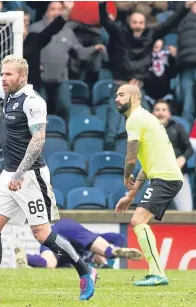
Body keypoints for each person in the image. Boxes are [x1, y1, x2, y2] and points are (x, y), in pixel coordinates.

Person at [0, 23, 97, 303]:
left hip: (30, 175)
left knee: (42, 234)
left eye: (8, 74)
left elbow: (39, 140)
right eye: (4, 74)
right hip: (8, 174)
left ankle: (86, 271)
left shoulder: (32, 101)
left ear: (22, 75)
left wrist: (21, 173)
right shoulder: (8, 94)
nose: (3, 78)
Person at [114, 84, 183, 287]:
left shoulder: (135, 119)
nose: (116, 99)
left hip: (165, 178)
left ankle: (158, 273)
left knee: (138, 221)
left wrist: (126, 177)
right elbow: (146, 164)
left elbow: (132, 158)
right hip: (164, 177)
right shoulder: (145, 118)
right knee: (138, 221)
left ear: (134, 97)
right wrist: (131, 196)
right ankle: (157, 272)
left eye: (121, 94)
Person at [99, 1, 191, 149]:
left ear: (145, 23)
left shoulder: (151, 35)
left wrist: (186, 6)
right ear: (129, 22)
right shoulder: (121, 34)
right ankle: (108, 157)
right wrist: (102, 3)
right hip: (121, 86)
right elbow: (105, 21)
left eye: (141, 23)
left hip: (138, 88)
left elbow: (171, 22)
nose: (138, 25)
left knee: (148, 126)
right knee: (112, 127)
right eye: (134, 22)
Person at [17, 218, 142, 269]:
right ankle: (110, 252)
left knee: (50, 263)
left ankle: (24, 256)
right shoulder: (92, 241)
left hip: (60, 248)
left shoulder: (86, 264)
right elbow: (117, 237)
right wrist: (108, 260)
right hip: (65, 229)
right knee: (94, 242)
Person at [152, 100, 194, 211]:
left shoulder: (178, 128)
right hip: (157, 179)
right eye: (157, 110)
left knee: (186, 211)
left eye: (164, 110)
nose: (160, 113)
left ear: (169, 114)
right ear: (152, 114)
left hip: (179, 177)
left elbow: (189, 149)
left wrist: (183, 158)